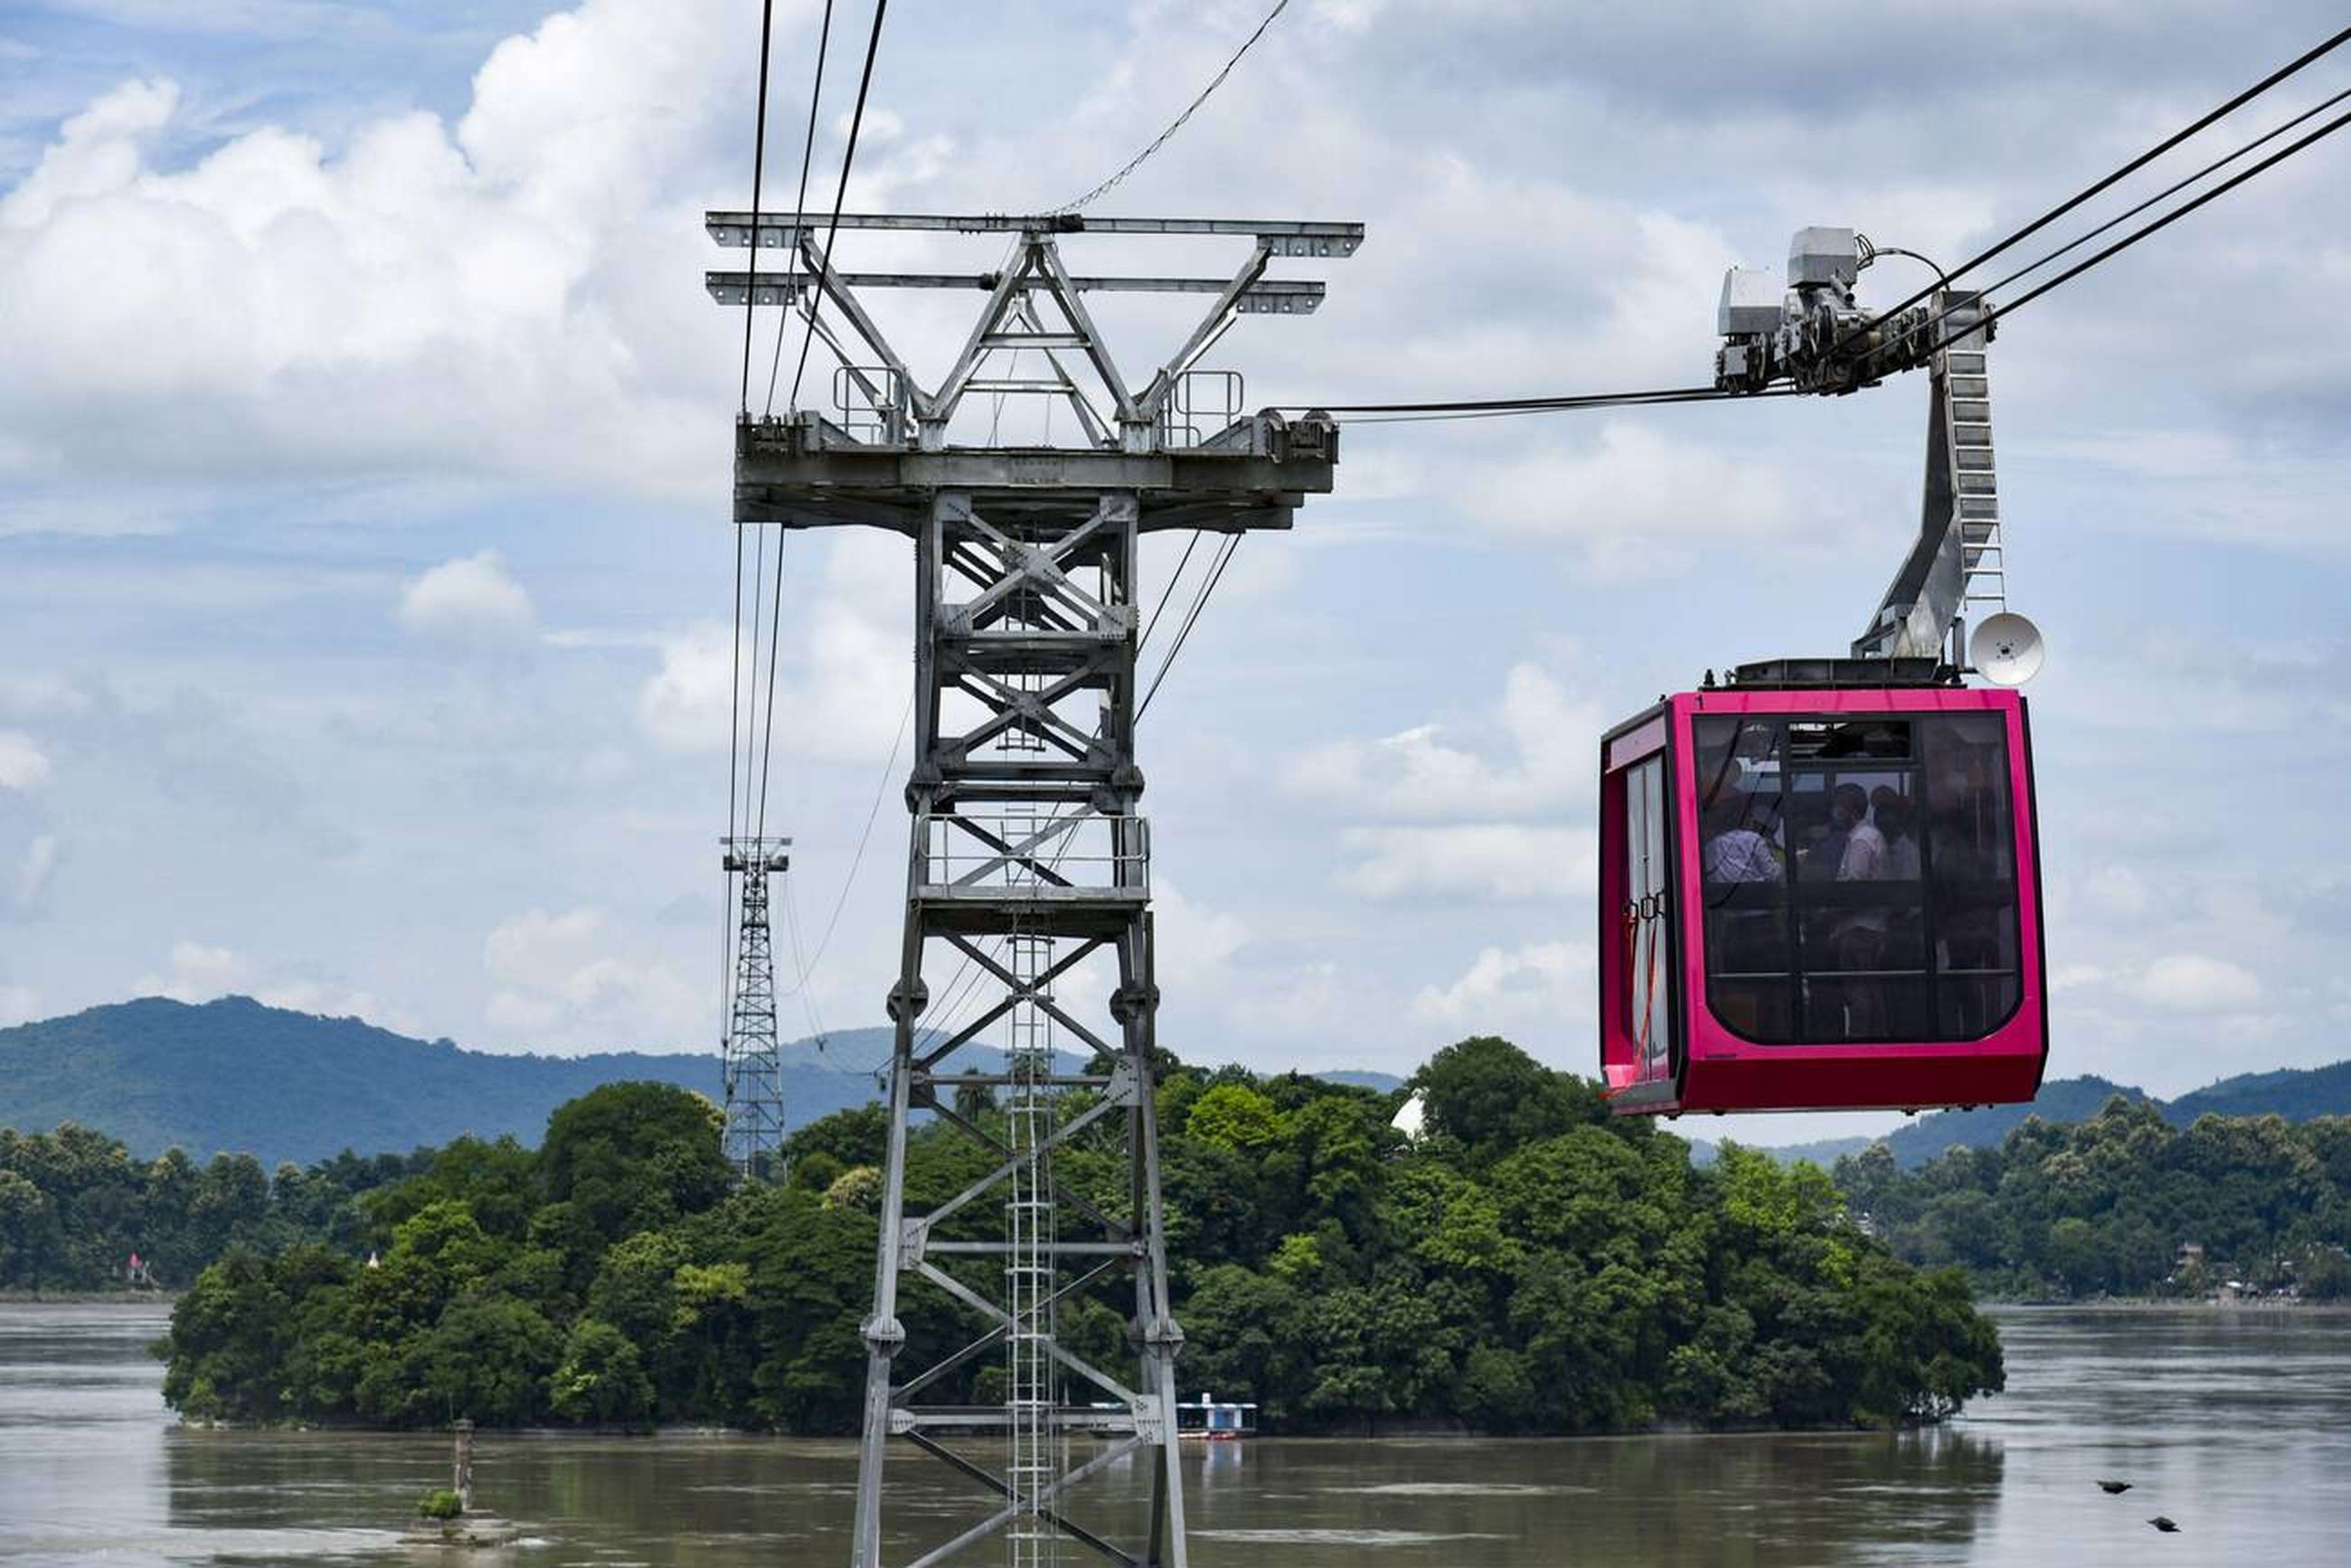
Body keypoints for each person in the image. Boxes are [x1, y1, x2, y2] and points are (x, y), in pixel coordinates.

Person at [1704, 794, 1782, 883]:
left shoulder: (1711, 845)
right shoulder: (1753, 840)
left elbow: (1710, 875)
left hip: (1720, 895)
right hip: (1757, 894)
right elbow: (1772, 874)